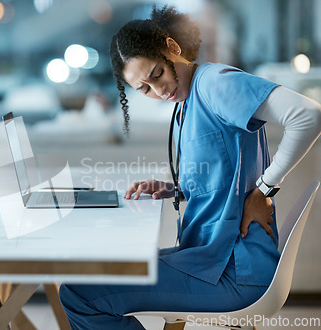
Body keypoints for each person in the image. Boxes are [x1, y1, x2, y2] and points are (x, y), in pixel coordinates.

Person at [59, 4, 321, 329]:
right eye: (144, 89)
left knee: (78, 293)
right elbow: (223, 171)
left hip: (232, 271)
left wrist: (265, 189)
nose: (160, 90)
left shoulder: (215, 83)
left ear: (172, 47)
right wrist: (175, 187)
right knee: (94, 274)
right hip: (208, 260)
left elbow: (309, 115)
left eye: (157, 74)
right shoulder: (188, 100)